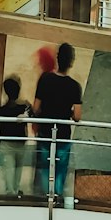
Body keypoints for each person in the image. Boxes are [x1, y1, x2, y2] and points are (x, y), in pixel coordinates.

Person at [33, 42, 82, 198]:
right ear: (71, 62)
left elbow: (36, 108)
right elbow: (77, 116)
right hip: (63, 134)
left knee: (45, 167)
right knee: (60, 168)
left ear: (58, 59)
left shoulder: (45, 79)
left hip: (45, 132)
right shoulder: (75, 87)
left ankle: (46, 196)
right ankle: (57, 196)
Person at [0, 75, 32, 196]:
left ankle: (11, 194)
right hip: (20, 143)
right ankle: (15, 194)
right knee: (18, 173)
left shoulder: (1, 111)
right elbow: (34, 115)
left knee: (9, 173)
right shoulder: (24, 108)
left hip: (6, 145)